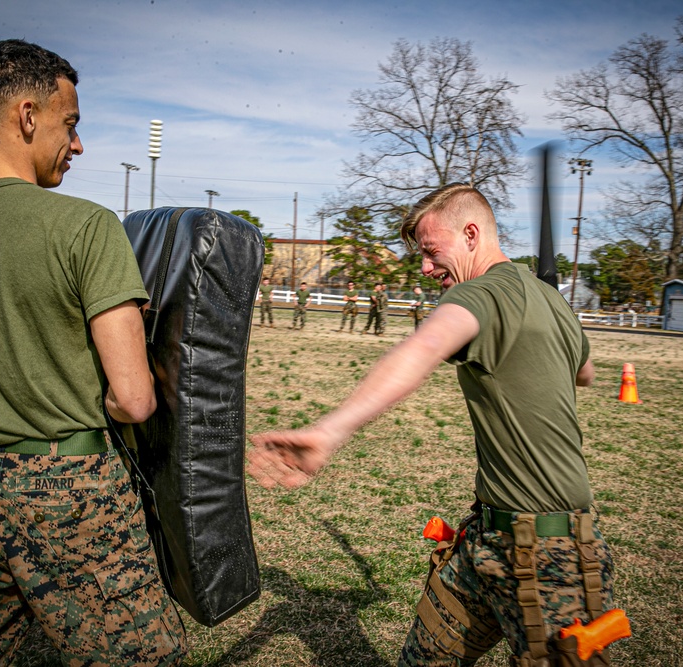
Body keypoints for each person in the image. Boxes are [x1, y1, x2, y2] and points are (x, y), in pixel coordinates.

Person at [0, 40, 185, 666]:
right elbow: (134, 400)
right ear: (28, 115)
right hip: (72, 487)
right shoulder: (86, 225)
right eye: (70, 125)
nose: (77, 146)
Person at [248, 183, 614, 666]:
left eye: (430, 251)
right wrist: (553, 315)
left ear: (469, 234)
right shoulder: (548, 302)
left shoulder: (484, 292)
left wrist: (329, 431)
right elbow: (584, 373)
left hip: (551, 557)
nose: (424, 267)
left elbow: (423, 347)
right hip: (484, 541)